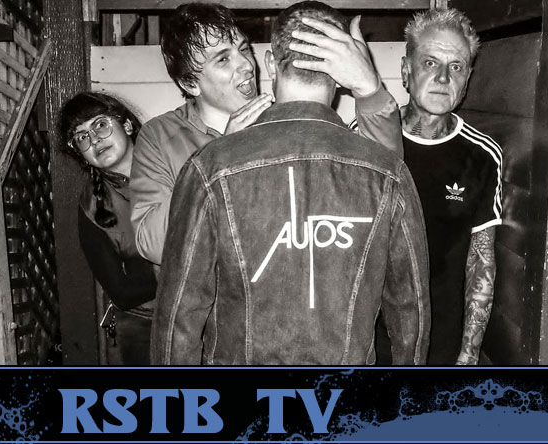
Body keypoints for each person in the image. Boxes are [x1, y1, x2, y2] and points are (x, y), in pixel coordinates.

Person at [151, 1, 430, 366]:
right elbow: (411, 309)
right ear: (340, 75)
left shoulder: (210, 167)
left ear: (270, 63)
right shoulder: (387, 172)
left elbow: (179, 317)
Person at [130, 2, 404, 266]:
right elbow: (151, 244)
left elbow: (383, 182)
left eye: (243, 49)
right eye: (223, 59)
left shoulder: (285, 118)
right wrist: (222, 153)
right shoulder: (160, 136)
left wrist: (369, 90)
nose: (246, 65)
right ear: (190, 83)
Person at [399, 8, 502, 365]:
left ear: (467, 79)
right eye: (430, 62)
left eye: (456, 66)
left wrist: (468, 355)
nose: (443, 77)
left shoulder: (482, 155)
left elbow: (481, 262)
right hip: (369, 345)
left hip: (441, 347)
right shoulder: (366, 138)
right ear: (406, 70)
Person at [60, 92, 157, 365]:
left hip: (204, 308)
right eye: (81, 137)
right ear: (81, 156)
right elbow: (121, 293)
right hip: (144, 326)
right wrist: (179, 267)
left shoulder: (175, 167)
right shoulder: (92, 205)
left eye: (100, 125)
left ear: (126, 125)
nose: (94, 140)